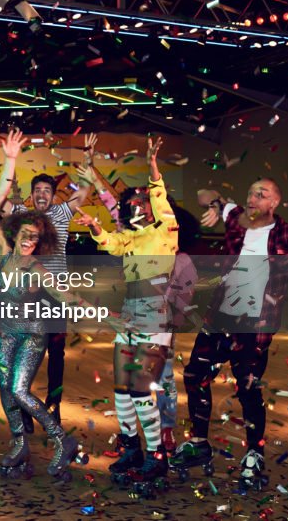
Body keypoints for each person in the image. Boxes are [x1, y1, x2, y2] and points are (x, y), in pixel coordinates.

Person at [171, 180, 288, 489]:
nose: (253, 198)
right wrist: (214, 204)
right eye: (250, 192)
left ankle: (254, 453)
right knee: (195, 374)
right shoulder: (236, 217)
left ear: (274, 203)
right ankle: (199, 442)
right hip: (219, 319)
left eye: (261, 194)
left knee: (248, 389)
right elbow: (203, 193)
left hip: (255, 326)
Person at [0, 137, 89, 480]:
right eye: (26, 232)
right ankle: (20, 444)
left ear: (41, 241)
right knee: (5, 391)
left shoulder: (39, 268)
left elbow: (68, 297)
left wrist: (108, 316)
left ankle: (61, 439)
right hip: (2, 332)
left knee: (20, 389)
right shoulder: (5, 250)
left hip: (32, 333)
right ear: (17, 230)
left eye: (35, 237)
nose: (28, 239)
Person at [74, 137, 178, 494]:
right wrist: (96, 226)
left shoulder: (166, 231)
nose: (133, 208)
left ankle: (157, 457)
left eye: (139, 203)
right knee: (121, 393)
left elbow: (158, 193)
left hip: (155, 321)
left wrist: (152, 167)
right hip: (129, 320)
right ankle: (133, 449)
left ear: (149, 207)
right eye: (129, 204)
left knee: (140, 392)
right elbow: (111, 240)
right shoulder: (130, 238)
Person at [0, 129, 96, 431]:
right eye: (37, 190)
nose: (41, 195)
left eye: (47, 191)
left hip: (55, 293)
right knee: (21, 349)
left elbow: (85, 190)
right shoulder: (22, 215)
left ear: (53, 196)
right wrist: (6, 163)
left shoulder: (62, 213)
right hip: (26, 295)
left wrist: (88, 159)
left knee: (56, 351)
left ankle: (54, 402)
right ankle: (21, 401)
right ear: (31, 194)